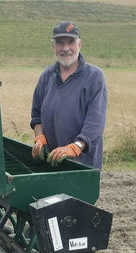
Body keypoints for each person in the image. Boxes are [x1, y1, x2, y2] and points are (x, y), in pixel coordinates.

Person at [30, 21, 107, 170]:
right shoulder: (47, 76)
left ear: (79, 44)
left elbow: (95, 122)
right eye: (60, 43)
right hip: (51, 162)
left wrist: (76, 147)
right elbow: (37, 116)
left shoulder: (94, 77)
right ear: (53, 46)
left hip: (82, 166)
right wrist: (39, 137)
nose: (65, 48)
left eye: (70, 42)